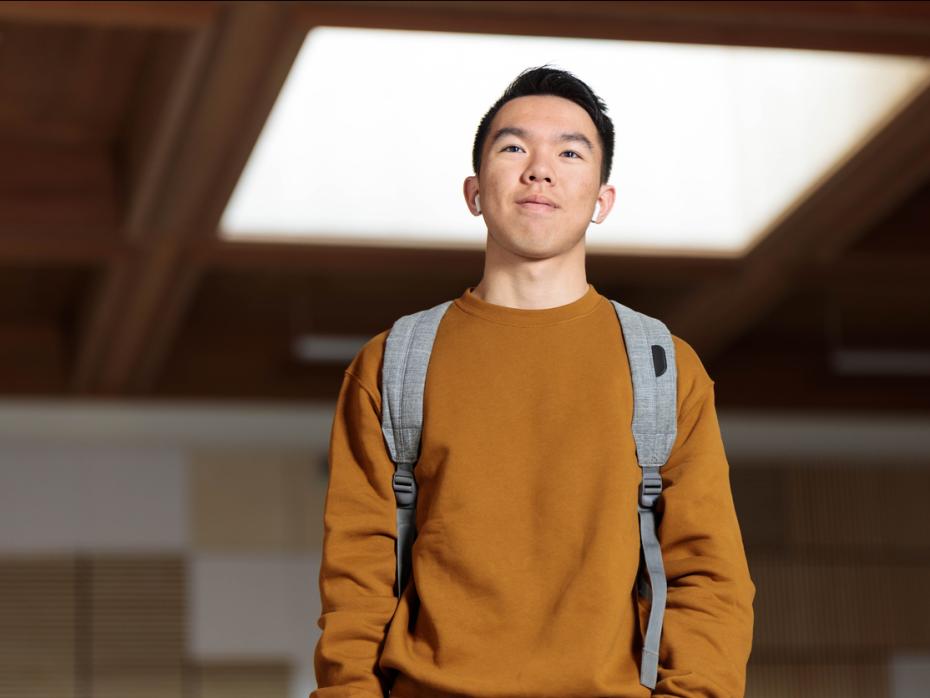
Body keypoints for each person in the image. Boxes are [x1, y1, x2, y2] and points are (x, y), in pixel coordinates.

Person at [312, 65, 755, 698]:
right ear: (474, 190)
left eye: (570, 152)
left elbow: (709, 573)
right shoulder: (394, 362)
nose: (539, 169)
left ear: (601, 200)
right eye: (514, 146)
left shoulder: (662, 365)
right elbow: (355, 575)